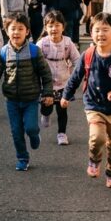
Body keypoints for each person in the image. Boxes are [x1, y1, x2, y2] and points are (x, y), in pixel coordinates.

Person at [61, 12, 111, 189]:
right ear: (91, 33)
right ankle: (94, 159)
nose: (100, 34)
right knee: (97, 137)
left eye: (105, 30)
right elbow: (75, 77)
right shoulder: (88, 55)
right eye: (96, 30)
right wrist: (66, 95)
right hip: (94, 105)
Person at [0, 12, 54, 171]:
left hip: (31, 99)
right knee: (16, 131)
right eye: (13, 28)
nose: (16, 32)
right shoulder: (3, 52)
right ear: (6, 31)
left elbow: (45, 74)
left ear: (27, 31)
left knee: (30, 128)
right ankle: (22, 158)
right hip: (12, 100)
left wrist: (48, 93)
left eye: (20, 29)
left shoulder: (34, 51)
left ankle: (35, 136)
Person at [38, 11, 80, 145]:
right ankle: (45, 114)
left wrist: (77, 74)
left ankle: (62, 134)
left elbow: (77, 59)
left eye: (57, 25)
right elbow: (34, 62)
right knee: (47, 107)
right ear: (46, 28)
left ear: (63, 26)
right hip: (46, 84)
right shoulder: (42, 43)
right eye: (50, 26)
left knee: (62, 109)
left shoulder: (68, 42)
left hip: (63, 82)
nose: (54, 29)